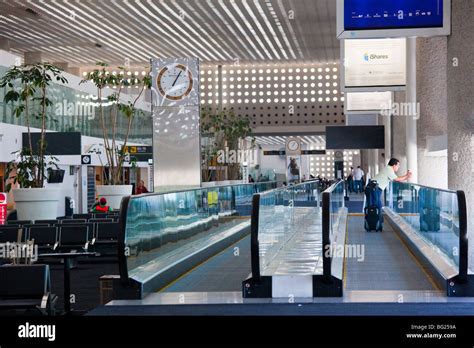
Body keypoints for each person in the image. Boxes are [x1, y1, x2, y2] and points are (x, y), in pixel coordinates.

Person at [367, 158, 412, 223]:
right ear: (394, 165)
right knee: (377, 205)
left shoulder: (388, 169)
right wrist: (407, 176)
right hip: (374, 188)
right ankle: (376, 221)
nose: (398, 167)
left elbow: (395, 178)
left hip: (374, 188)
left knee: (375, 205)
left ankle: (374, 221)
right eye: (398, 165)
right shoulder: (389, 170)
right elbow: (397, 179)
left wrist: (406, 176)